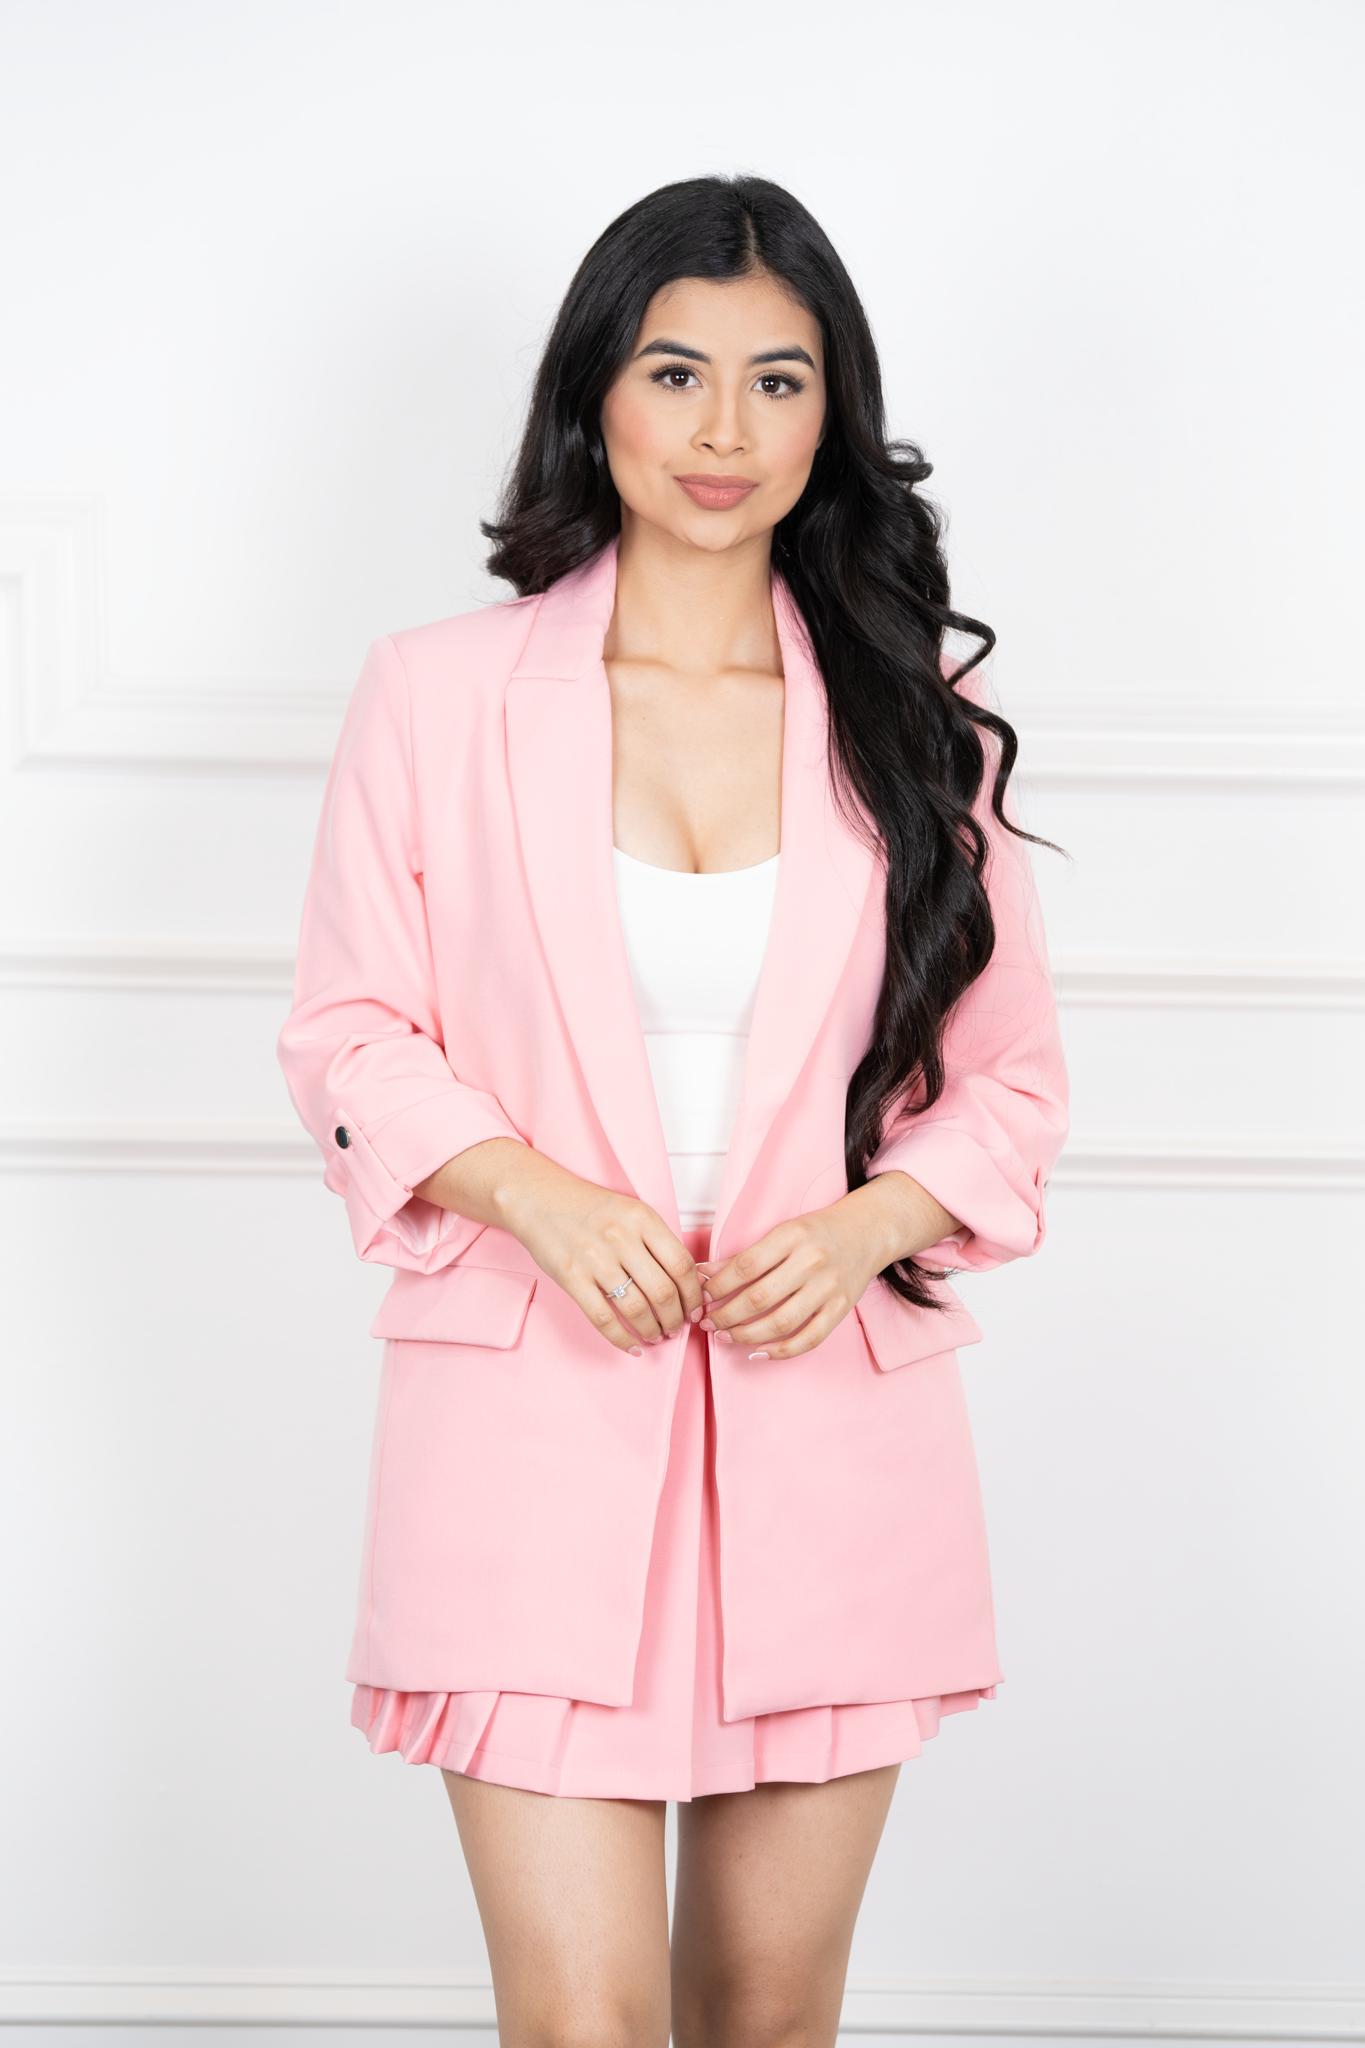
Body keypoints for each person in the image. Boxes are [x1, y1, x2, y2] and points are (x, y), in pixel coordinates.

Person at [278, 174, 1068, 2048]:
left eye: (779, 381)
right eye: (676, 371)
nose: (726, 431)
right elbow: (348, 1031)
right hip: (528, 1428)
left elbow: (1013, 1078)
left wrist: (870, 1224)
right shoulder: (438, 698)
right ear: (596, 393)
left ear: (832, 413)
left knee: (770, 2014)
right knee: (581, 2024)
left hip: (831, 1428)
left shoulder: (919, 716)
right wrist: (535, 1196)